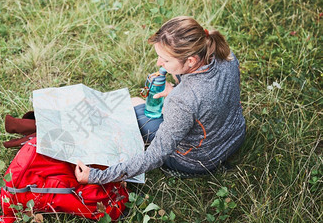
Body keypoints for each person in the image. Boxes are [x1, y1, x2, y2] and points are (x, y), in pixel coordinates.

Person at [75, 16, 246, 184]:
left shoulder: (182, 100)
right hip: (234, 137)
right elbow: (207, 96)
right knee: (139, 105)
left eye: (165, 59)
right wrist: (174, 88)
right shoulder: (226, 56)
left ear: (191, 61)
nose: (159, 63)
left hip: (197, 161)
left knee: (132, 105)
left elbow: (156, 156)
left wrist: (96, 176)